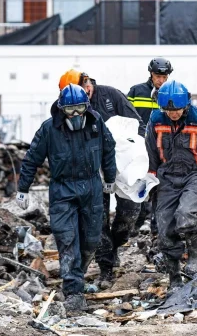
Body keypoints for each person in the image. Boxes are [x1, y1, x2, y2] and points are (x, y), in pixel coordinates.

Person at [16, 84, 116, 311]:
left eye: (79, 108)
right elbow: (32, 159)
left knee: (91, 240)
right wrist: (23, 188)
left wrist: (109, 177)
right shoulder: (49, 130)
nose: (75, 114)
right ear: (61, 109)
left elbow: (108, 148)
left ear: (86, 107)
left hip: (91, 188)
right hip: (63, 190)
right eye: (70, 110)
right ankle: (73, 291)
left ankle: (76, 274)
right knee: (67, 239)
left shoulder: (96, 123)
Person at [59, 69, 145, 289]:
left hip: (122, 164)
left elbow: (136, 125)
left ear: (87, 83)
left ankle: (116, 244)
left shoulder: (111, 96)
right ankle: (105, 268)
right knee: (96, 221)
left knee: (129, 214)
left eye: (83, 90)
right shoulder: (69, 105)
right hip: (92, 170)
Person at [145, 80, 197, 288]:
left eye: (177, 110)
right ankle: (174, 277)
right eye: (169, 110)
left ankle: (194, 252)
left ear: (186, 105)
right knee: (164, 228)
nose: (173, 114)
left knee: (186, 215)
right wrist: (148, 182)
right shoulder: (155, 120)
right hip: (167, 177)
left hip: (194, 174)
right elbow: (151, 154)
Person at [128, 57, 173, 236]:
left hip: (163, 149)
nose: (161, 80)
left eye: (164, 77)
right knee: (138, 184)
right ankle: (135, 223)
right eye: (157, 76)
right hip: (139, 148)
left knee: (160, 188)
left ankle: (157, 229)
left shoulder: (172, 93)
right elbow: (126, 117)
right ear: (151, 75)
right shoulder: (136, 91)